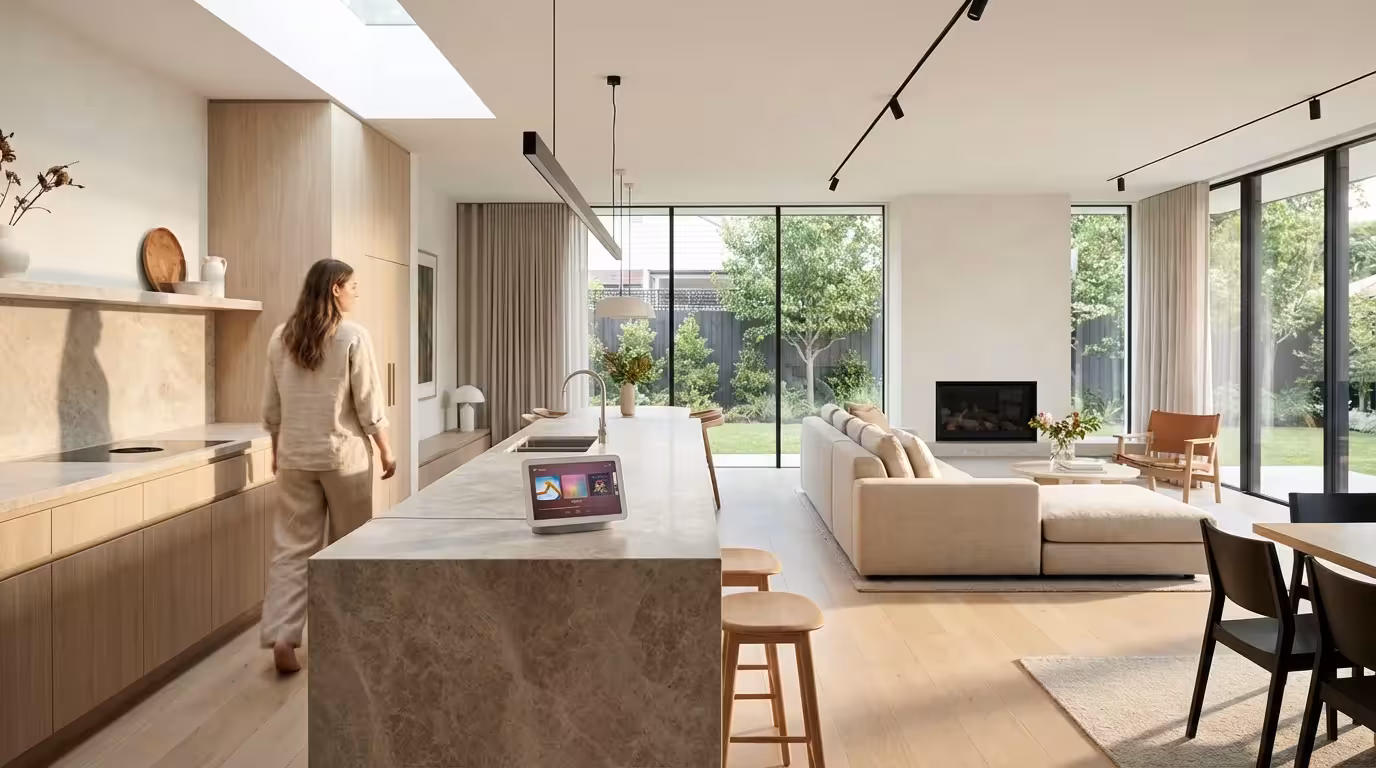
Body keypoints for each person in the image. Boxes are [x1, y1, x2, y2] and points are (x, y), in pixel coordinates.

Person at [260, 258, 395, 673]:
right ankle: (347, 637)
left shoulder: (280, 337)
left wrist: (276, 449)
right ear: (335, 288)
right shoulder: (352, 335)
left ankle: (284, 636)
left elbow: (272, 406)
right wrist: (386, 450)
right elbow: (368, 402)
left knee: (291, 549)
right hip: (343, 458)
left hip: (295, 458)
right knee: (349, 546)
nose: (357, 292)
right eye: (353, 285)